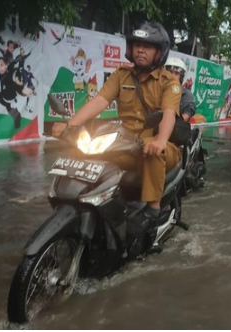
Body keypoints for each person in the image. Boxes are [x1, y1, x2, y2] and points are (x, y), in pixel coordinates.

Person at [52, 22, 182, 259]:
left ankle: (151, 210)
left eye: (147, 46)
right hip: (125, 141)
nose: (140, 50)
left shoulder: (168, 82)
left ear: (159, 52)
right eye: (137, 45)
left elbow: (169, 115)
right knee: (89, 153)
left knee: (151, 152)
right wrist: (70, 126)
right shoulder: (121, 75)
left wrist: (161, 140)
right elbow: (99, 102)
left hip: (160, 144)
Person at [164, 57, 195, 122]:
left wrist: (177, 124)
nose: (172, 76)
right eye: (170, 72)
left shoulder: (186, 94)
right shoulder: (156, 89)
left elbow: (189, 110)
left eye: (176, 73)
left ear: (181, 77)